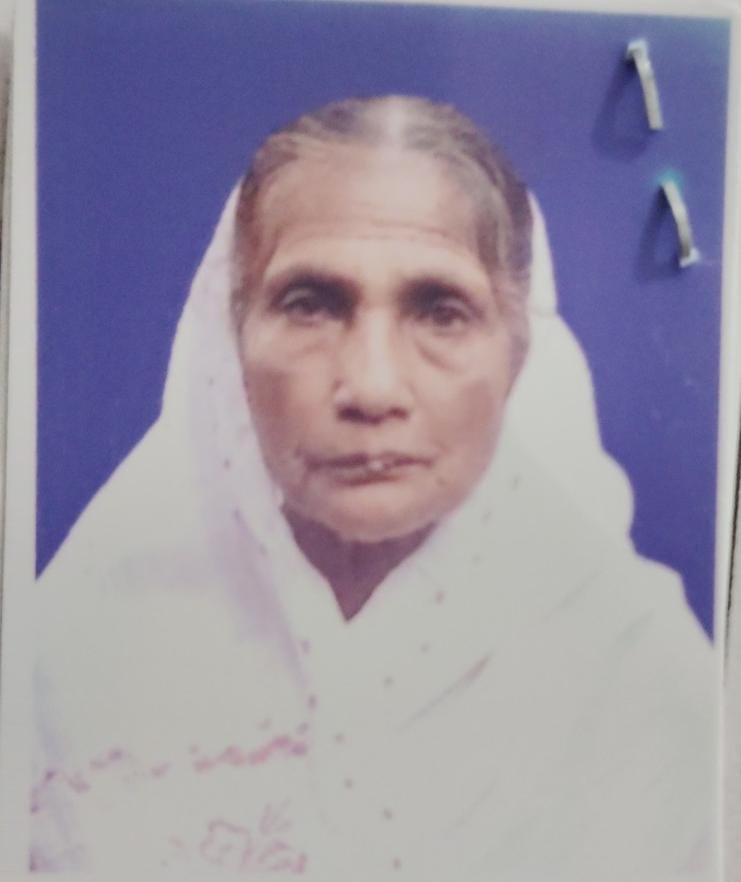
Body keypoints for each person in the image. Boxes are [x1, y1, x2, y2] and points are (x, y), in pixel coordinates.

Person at [31, 96, 716, 880]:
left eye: (440, 312)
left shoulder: (638, 684)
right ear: (231, 340)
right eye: (310, 305)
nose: (371, 386)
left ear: (517, 350)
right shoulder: (73, 668)